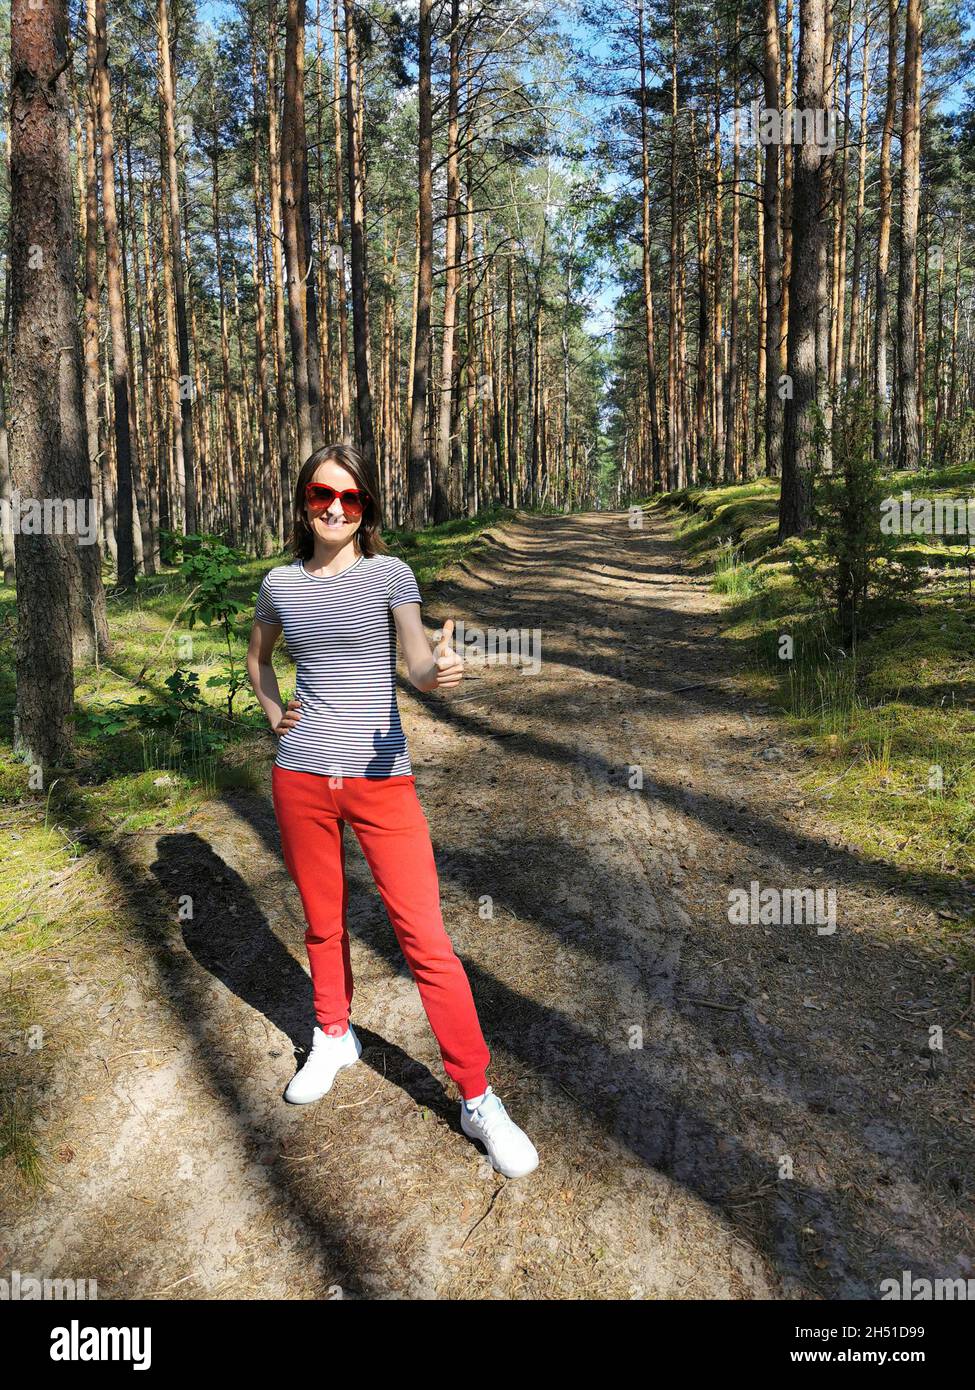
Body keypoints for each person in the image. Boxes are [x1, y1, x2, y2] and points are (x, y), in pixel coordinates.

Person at [246, 442, 538, 1179]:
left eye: (350, 498)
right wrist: (272, 709)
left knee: (425, 938)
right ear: (303, 502)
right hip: (301, 775)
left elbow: (412, 660)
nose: (335, 509)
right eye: (321, 496)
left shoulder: (389, 575)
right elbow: (256, 658)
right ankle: (333, 1034)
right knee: (321, 920)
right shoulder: (279, 583)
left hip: (381, 779)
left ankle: (476, 1097)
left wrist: (435, 674)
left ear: (366, 508)